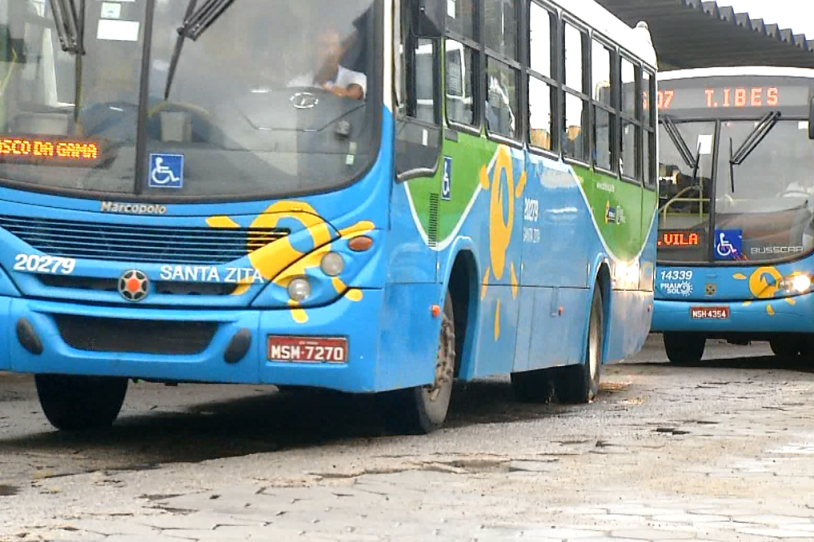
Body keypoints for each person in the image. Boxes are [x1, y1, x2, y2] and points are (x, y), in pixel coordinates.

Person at [288, 29, 367, 100]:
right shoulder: (297, 84)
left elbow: (350, 96)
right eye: (324, 46)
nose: (330, 52)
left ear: (341, 51)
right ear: (314, 50)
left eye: (334, 45)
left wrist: (323, 82)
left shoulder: (357, 78)